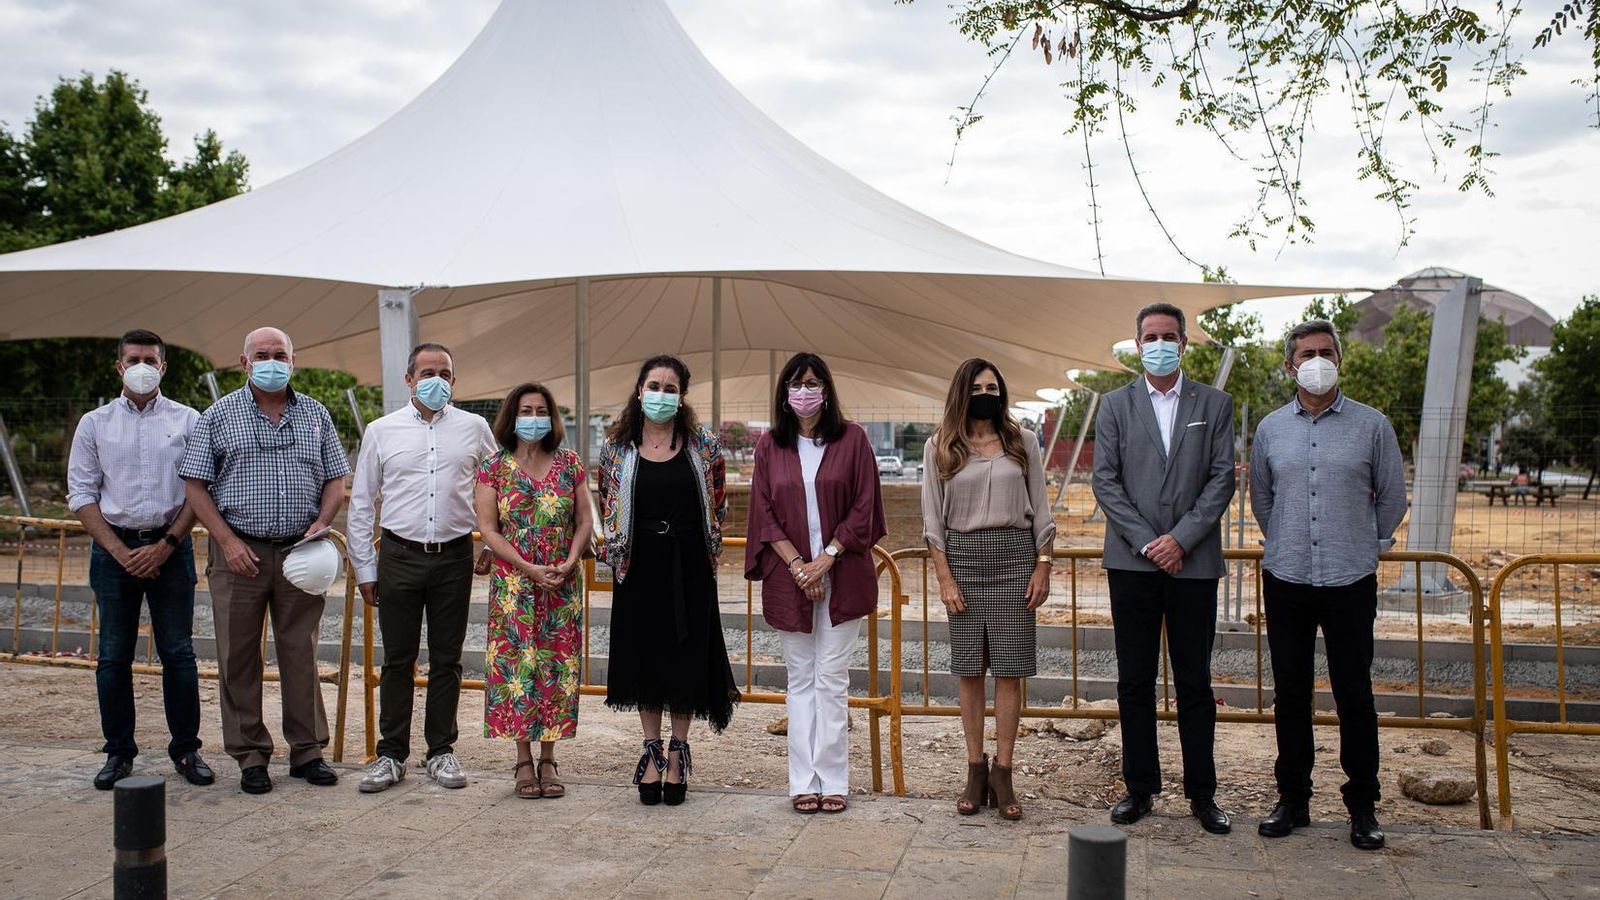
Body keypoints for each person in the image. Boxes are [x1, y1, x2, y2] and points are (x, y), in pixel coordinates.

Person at [1250, 319, 1406, 851]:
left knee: (1354, 695)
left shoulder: (1373, 426)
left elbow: (1392, 498)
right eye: (1306, 353)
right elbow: (1263, 499)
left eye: (1325, 352)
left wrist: (1363, 542)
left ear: (1339, 360)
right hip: (1288, 575)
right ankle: (1292, 799)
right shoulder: (1271, 429)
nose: (1316, 361)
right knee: (1290, 693)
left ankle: (1362, 806)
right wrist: (1289, 539)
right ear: (1289, 365)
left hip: (1350, 577)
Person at [179, 327, 351, 795]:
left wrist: (323, 519)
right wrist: (228, 541)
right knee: (238, 655)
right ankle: (251, 754)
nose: (271, 361)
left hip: (300, 550)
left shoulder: (315, 414)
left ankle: (307, 750)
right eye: (262, 354)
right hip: (238, 552)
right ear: (244, 362)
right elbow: (195, 485)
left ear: (293, 362)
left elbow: (336, 477)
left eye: (280, 355)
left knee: (301, 651)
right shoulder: (218, 415)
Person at [1091, 302, 1236, 834]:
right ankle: (1140, 787)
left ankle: (1203, 793)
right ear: (1136, 345)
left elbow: (1222, 479)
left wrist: (1181, 539)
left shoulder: (1215, 404)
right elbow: (1105, 481)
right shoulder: (1114, 406)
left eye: (1169, 335)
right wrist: (1152, 542)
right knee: (1135, 680)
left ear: (1184, 342)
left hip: (1193, 565)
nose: (1159, 343)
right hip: (1133, 564)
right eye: (1150, 336)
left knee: (1195, 681)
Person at [348, 342, 497, 793]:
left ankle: (441, 751)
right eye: (427, 372)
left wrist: (493, 538)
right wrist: (365, 568)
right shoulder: (381, 430)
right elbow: (360, 504)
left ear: (454, 381)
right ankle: (390, 754)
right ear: (409, 379)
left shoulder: (475, 428)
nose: (437, 381)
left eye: (445, 374)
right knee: (397, 660)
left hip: (453, 556)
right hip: (397, 556)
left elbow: (497, 484)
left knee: (448, 660)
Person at [66, 329, 212, 790]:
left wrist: (166, 544)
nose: (142, 366)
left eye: (150, 358)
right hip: (115, 552)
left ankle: (186, 751)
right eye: (134, 359)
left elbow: (198, 488)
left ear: (163, 366)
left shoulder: (190, 420)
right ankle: (118, 753)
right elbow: (82, 494)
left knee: (180, 654)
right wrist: (120, 552)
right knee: (112, 656)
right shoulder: (95, 424)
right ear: (120, 366)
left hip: (172, 546)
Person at [745, 353, 886, 815]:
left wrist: (825, 560)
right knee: (800, 680)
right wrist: (797, 567)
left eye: (812, 382)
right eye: (796, 383)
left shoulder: (855, 440)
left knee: (832, 679)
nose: (804, 391)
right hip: (790, 577)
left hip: (842, 573)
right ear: (785, 393)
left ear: (826, 389)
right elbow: (763, 512)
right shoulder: (770, 446)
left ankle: (835, 780)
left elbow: (864, 506)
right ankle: (802, 781)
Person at [597, 354, 738, 806]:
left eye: (670, 388)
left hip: (689, 568)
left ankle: (678, 756)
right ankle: (651, 753)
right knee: (645, 659)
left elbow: (717, 502)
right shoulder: (616, 448)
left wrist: (703, 545)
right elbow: (607, 503)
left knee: (684, 658)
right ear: (639, 392)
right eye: (653, 385)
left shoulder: (705, 446)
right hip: (637, 570)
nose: (661, 394)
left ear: (682, 397)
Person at [921, 358, 1055, 821]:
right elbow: (932, 520)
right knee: (970, 670)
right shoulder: (941, 445)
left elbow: (1041, 508)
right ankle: (975, 769)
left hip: (1016, 562)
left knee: (1010, 671)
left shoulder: (1024, 442)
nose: (985, 393)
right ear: (962, 391)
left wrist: (1043, 566)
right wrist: (944, 576)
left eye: (992, 386)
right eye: (977, 386)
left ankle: (1004, 771)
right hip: (963, 563)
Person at [474, 382, 592, 799]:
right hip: (514, 587)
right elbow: (489, 528)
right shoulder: (494, 467)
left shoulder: (570, 464)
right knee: (517, 670)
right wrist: (527, 567)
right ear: (512, 416)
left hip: (560, 583)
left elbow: (583, 521)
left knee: (556, 669)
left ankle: (549, 756)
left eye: (542, 411)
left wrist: (571, 559)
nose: (534, 418)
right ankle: (523, 759)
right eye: (526, 411)